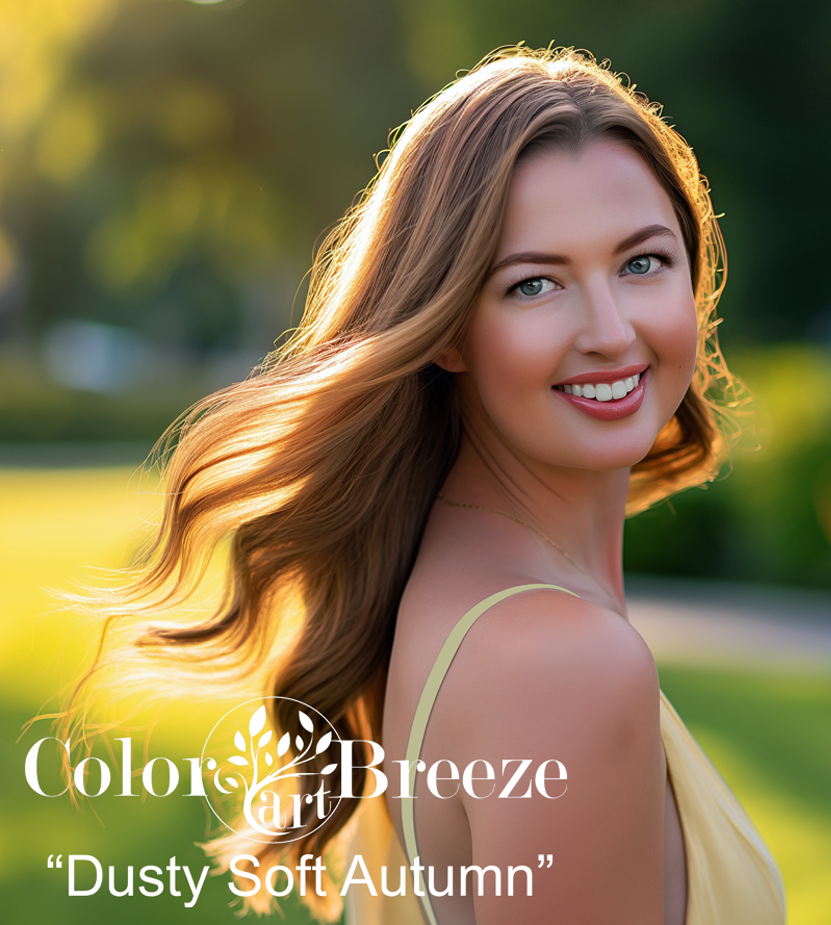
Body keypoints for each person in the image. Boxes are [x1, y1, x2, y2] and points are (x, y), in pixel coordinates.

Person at [72, 46, 785, 925]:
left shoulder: (443, 576)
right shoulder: (563, 665)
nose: (609, 330)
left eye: (641, 263)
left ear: (693, 273)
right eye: (534, 284)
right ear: (445, 329)